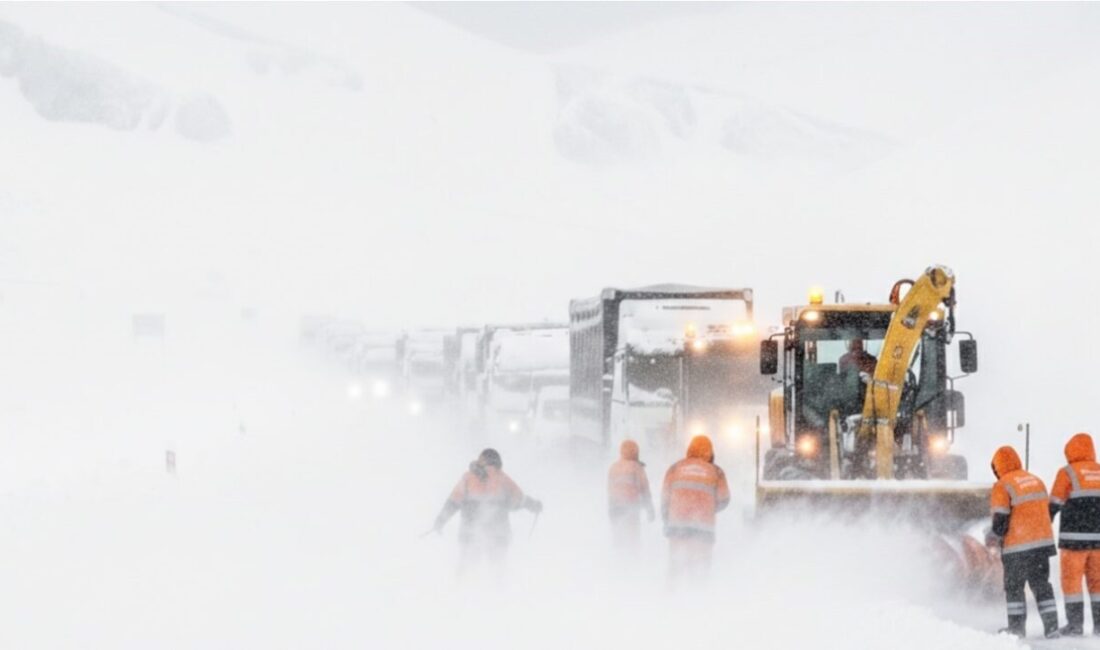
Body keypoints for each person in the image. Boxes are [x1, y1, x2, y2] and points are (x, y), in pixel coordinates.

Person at [432, 448, 542, 573]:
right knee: (497, 569)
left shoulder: (468, 478)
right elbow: (518, 501)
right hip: (498, 533)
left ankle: (461, 589)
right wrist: (534, 505)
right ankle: (499, 590)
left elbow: (452, 502)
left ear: (481, 460)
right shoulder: (502, 478)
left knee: (467, 569)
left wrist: (440, 521)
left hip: (469, 533)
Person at [990, 445, 1060, 638]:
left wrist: (994, 535)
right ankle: (1052, 627)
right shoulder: (1036, 480)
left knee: (1014, 589)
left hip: (1017, 547)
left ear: (998, 466)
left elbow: (1001, 519)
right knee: (1042, 586)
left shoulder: (1003, 484)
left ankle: (1017, 629)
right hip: (1042, 545)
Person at [1050, 432, 1100, 636]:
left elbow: (1054, 504)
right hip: (1099, 543)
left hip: (1074, 542)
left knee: (1072, 584)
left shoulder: (1067, 473)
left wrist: (1046, 521)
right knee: (1098, 584)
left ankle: (1075, 625)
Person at [661, 435, 730, 583]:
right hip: (703, 528)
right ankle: (698, 600)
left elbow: (665, 499)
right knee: (701, 568)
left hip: (677, 526)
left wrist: (666, 520)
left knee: (675, 565)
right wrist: (708, 508)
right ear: (710, 452)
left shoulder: (675, 468)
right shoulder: (716, 471)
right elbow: (725, 499)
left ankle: (669, 598)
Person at [608, 439, 655, 550]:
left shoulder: (613, 467)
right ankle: (632, 561)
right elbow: (645, 490)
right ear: (636, 452)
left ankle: (618, 560)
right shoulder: (636, 468)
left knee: (618, 538)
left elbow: (609, 490)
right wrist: (650, 510)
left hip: (616, 509)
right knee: (632, 539)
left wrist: (610, 510)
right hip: (631, 508)